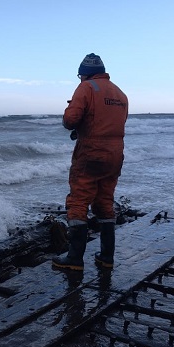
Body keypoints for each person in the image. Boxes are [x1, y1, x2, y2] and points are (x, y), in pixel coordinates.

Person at [53, 53, 128, 271]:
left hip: (91, 152)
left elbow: (71, 120)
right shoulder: (120, 93)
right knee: (105, 200)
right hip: (115, 154)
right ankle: (106, 256)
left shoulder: (86, 88)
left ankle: (74, 258)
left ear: (84, 74)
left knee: (78, 200)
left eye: (79, 76)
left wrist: (71, 118)